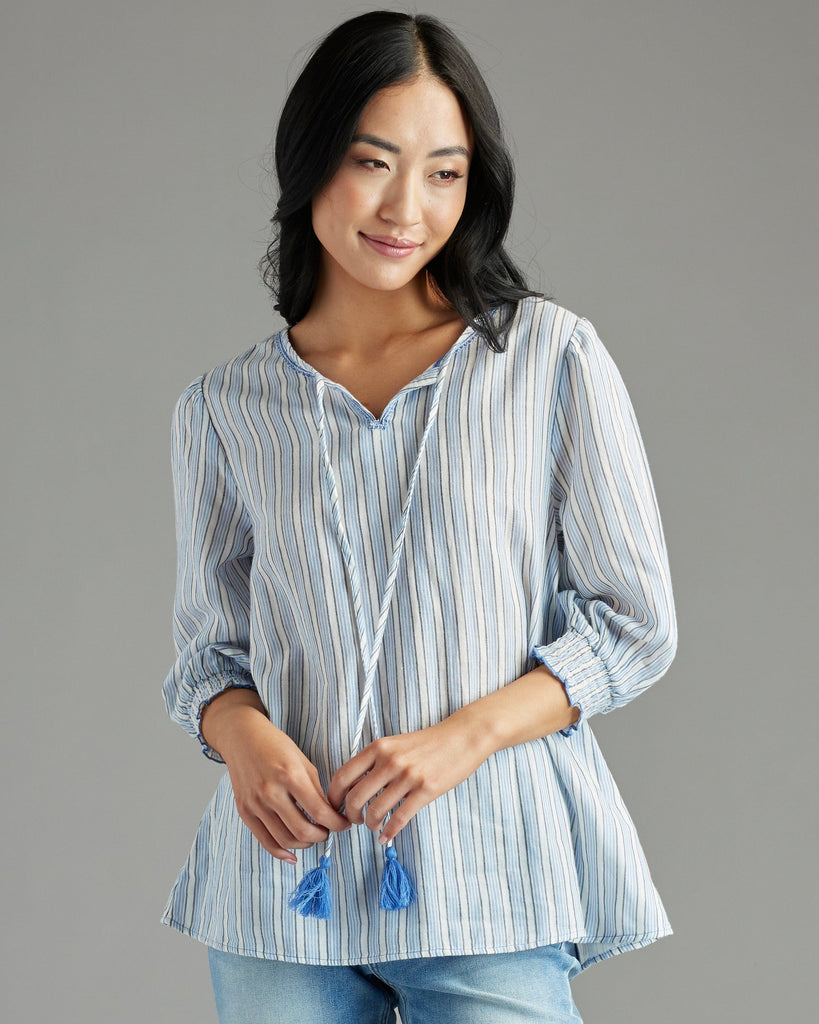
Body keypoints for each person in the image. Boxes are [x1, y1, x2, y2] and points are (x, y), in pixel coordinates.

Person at [160, 11, 678, 1023]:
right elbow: (207, 655)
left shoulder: (548, 361)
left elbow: (634, 624)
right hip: (281, 900)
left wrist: (463, 740)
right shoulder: (223, 410)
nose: (409, 206)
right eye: (374, 161)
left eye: (445, 172)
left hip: (489, 878)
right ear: (309, 161)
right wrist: (243, 735)